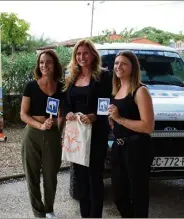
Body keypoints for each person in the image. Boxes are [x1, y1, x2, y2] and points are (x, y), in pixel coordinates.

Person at [63, 39, 112, 218]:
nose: (81, 57)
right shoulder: (71, 76)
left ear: (93, 55)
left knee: (95, 178)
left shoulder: (104, 76)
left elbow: (106, 103)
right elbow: (66, 101)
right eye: (78, 54)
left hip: (96, 133)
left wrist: (93, 116)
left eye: (85, 53)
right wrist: (68, 113)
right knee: (81, 179)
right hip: (77, 134)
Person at [108, 51, 155, 218]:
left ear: (133, 67)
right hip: (119, 148)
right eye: (116, 63)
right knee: (119, 197)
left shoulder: (140, 91)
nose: (118, 66)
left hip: (137, 148)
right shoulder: (116, 91)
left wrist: (119, 119)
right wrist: (113, 122)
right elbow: (119, 119)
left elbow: (148, 126)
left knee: (138, 197)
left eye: (123, 63)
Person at [20, 49, 64, 218]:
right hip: (32, 134)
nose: (44, 65)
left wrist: (59, 130)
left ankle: (49, 209)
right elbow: (23, 114)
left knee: (51, 175)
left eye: (48, 62)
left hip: (52, 135)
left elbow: (63, 113)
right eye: (41, 62)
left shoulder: (62, 87)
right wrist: (40, 126)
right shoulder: (30, 86)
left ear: (55, 65)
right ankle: (38, 213)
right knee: (32, 176)